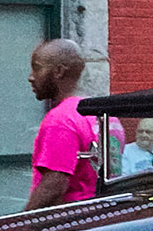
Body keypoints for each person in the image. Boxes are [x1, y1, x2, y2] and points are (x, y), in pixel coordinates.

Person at [25, 38, 102, 209]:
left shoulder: (61, 120)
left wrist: (19, 226)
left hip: (67, 224)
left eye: (37, 68)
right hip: (100, 218)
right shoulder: (105, 115)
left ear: (58, 71)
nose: (31, 77)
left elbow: (54, 185)